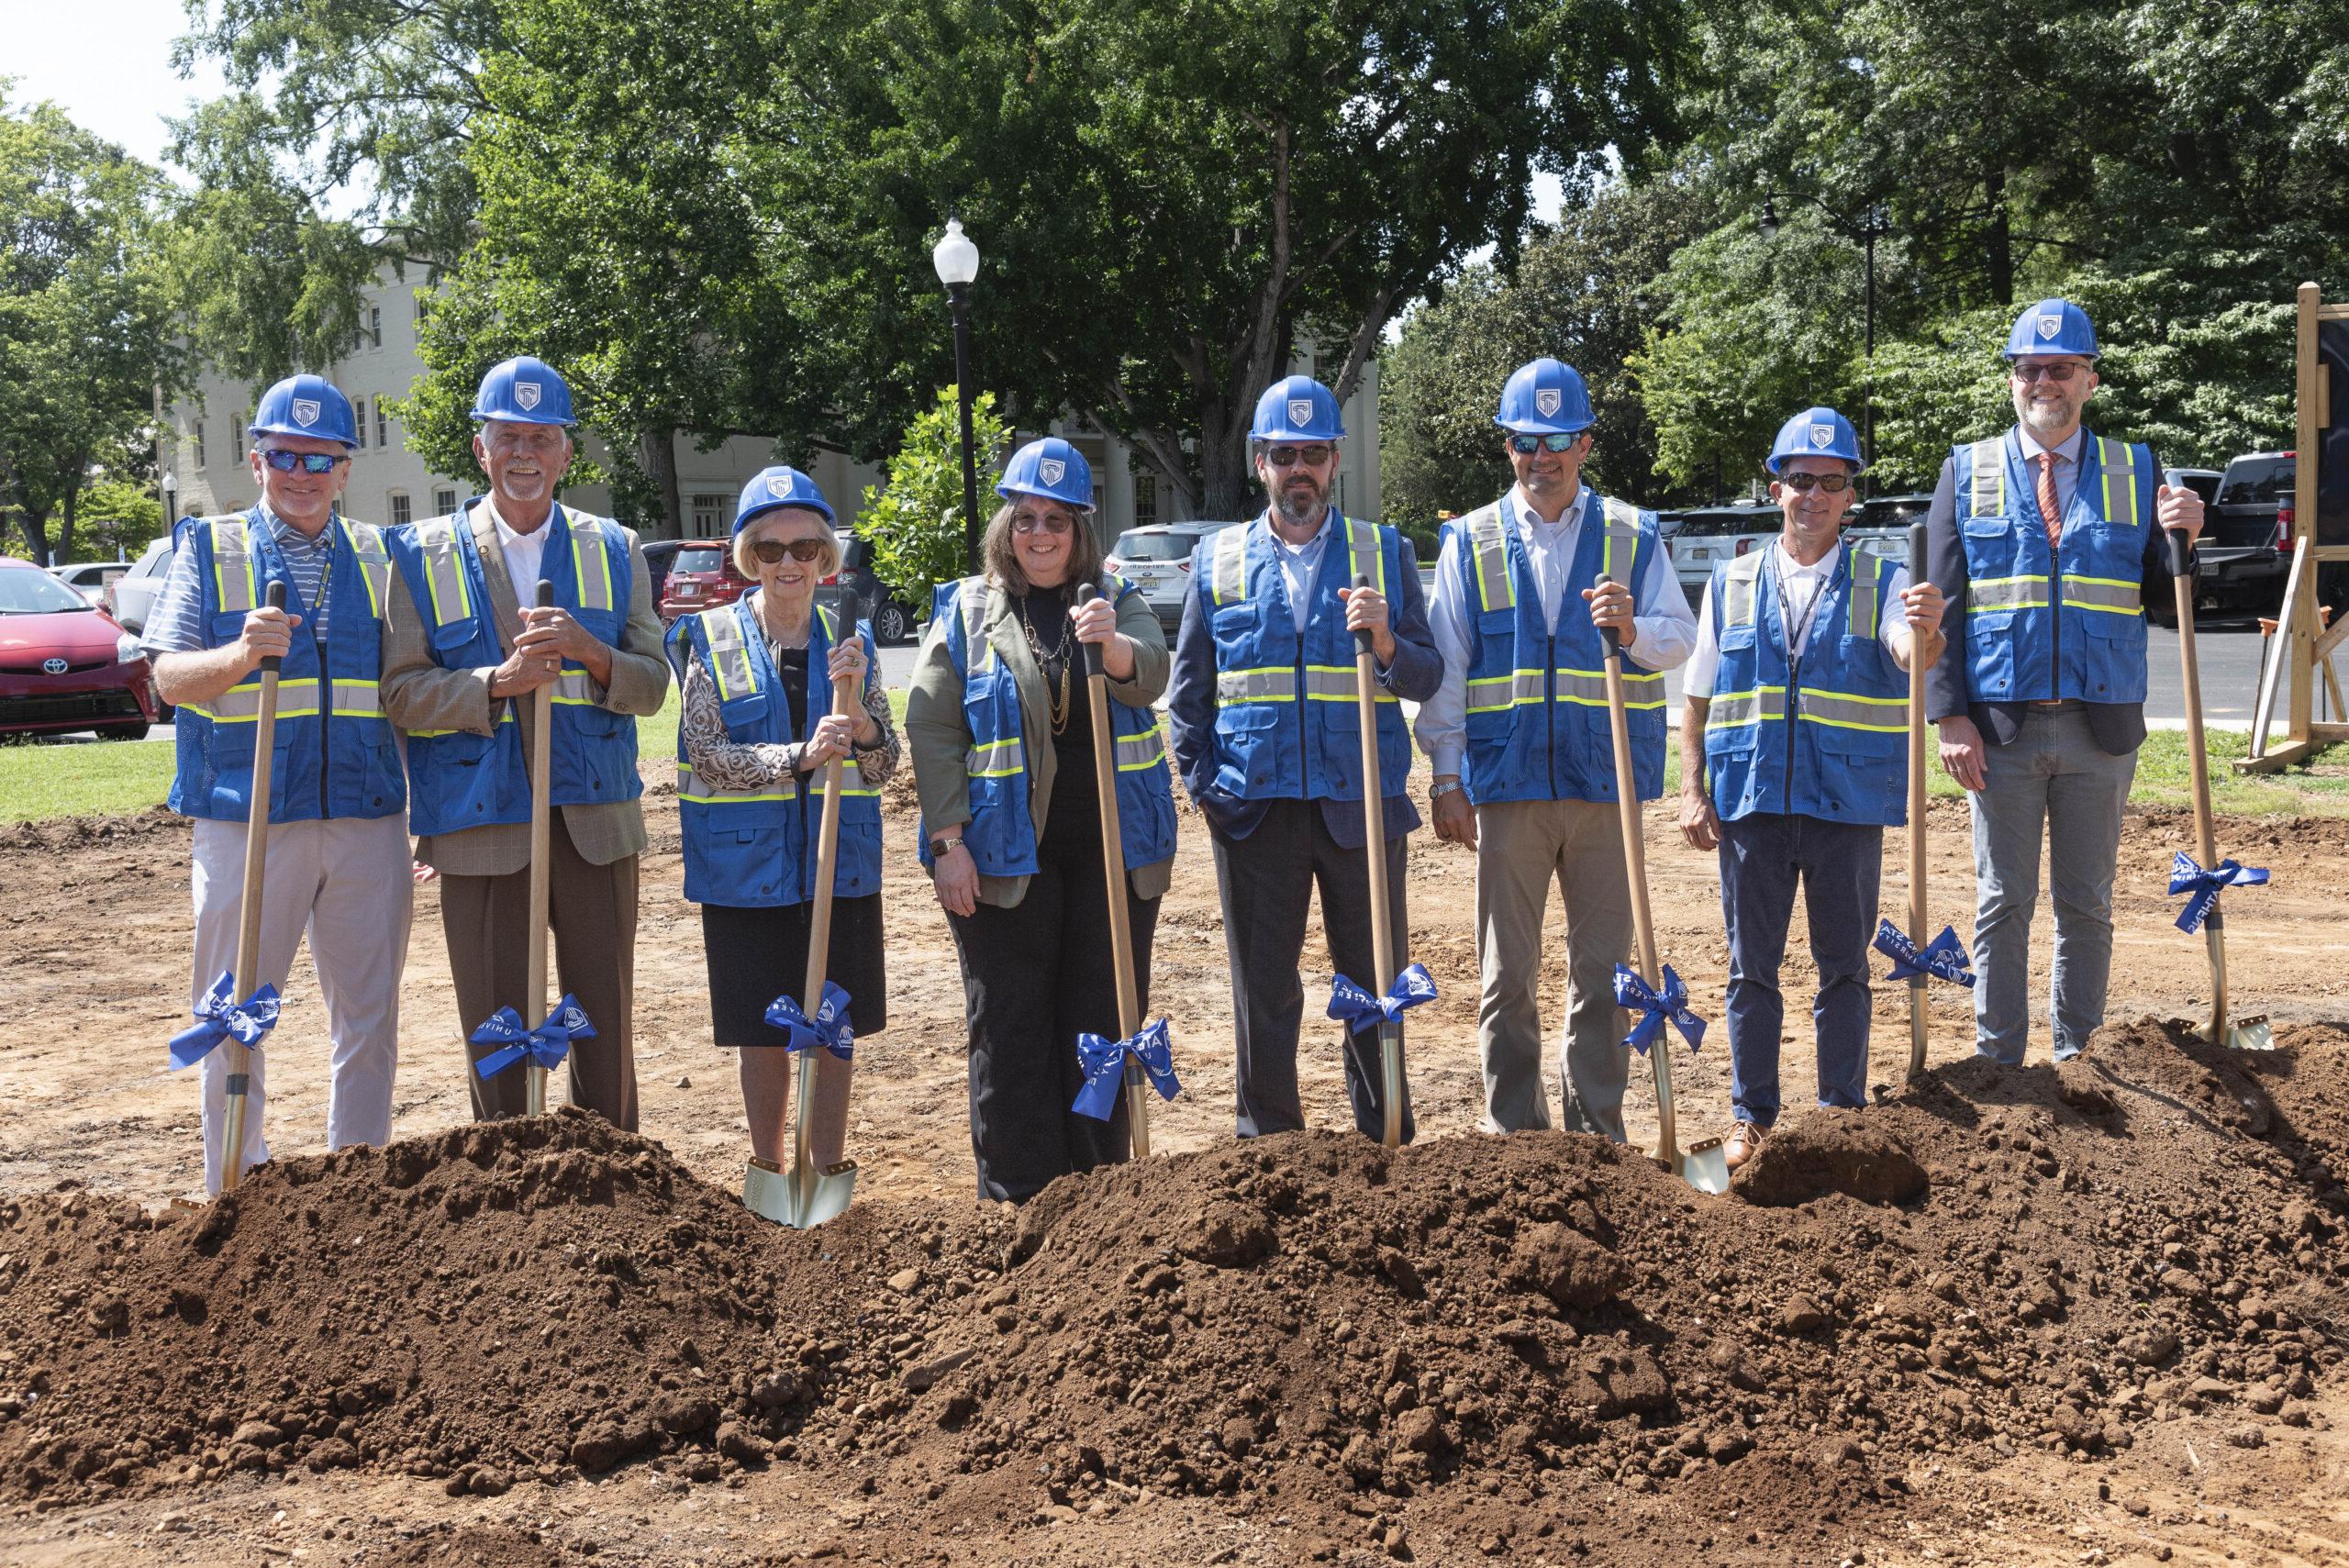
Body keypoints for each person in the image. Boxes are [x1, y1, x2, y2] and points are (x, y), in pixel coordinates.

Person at [380, 356, 671, 1127]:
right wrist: (493, 684)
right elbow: (401, 691)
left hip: (595, 822)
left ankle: (614, 1186)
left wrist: (593, 650)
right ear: (481, 449)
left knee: (600, 1026)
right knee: (499, 1030)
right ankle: (512, 1200)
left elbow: (653, 681)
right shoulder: (421, 553)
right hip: (482, 823)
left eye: (542, 438)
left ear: (566, 452)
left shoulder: (614, 547)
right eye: (508, 436)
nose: (524, 455)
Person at [1414, 357, 1698, 1141]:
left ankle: (1597, 1133)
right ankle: (1515, 1136)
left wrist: (1635, 629)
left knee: (1603, 977)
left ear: (1586, 442)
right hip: (1506, 789)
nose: (1543, 457)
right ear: (1507, 446)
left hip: (1604, 785)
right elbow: (1447, 669)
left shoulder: (1633, 533)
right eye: (1525, 441)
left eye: (1559, 439)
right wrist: (1445, 775)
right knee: (1507, 978)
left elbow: (1682, 640)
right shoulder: (1469, 540)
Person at [143, 373, 413, 1193]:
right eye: (284, 455)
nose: (301, 473)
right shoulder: (209, 545)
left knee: (367, 1022)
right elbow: (167, 677)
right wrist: (238, 657)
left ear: (344, 470)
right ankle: (234, 1186)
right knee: (234, 1017)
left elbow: (406, 688)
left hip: (366, 818)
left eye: (319, 458)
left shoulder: (380, 555)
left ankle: (354, 1187)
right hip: (248, 818)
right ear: (257, 462)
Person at [1926, 299, 2204, 1064]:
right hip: (1999, 729)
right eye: (2029, 368)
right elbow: (1940, 601)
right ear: (2013, 379)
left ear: (2089, 380)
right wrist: (1949, 715)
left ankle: (2080, 1063)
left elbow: (2167, 597)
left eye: (2060, 368)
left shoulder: (2135, 468)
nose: (2042, 380)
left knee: (2087, 904)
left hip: (2099, 726)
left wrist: (2187, 537)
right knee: (2001, 901)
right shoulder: (1966, 468)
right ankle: (1999, 1064)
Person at [1168, 377, 1442, 1141]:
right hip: (1255, 811)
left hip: (1361, 805)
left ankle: (1386, 1137)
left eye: (1313, 454)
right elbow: (1190, 697)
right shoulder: (1216, 560)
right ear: (1260, 461)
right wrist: (1207, 789)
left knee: (1375, 982)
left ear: (1335, 461)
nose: (1299, 470)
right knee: (1264, 992)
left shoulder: (1384, 553)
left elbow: (1426, 674)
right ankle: (1270, 1146)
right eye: (1283, 453)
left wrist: (1386, 641)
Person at [907, 438, 1178, 1201]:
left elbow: (1152, 671)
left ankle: (1096, 1191)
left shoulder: (1113, 599)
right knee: (1012, 1026)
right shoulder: (967, 609)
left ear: (1080, 529)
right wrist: (947, 842)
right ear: (1007, 524)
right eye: (1026, 516)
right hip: (1002, 858)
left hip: (1112, 857)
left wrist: (1114, 648)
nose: (1040, 534)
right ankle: (1019, 1197)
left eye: (1057, 519)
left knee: (1102, 1019)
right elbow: (931, 728)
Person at [1676, 408, 1946, 1168]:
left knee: (1844, 970)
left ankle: (1840, 1114)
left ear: (1850, 496)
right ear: (1777, 489)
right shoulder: (1730, 583)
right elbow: (1695, 701)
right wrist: (1694, 791)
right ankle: (1751, 1117)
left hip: (1845, 806)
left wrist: (1925, 633)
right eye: (1802, 481)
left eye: (1832, 482)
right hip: (1753, 807)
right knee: (1749, 970)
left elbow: (1909, 651)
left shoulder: (1885, 581)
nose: (1815, 495)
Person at [666, 467, 896, 1217]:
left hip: (838, 868)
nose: (788, 561)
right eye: (770, 547)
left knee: (834, 1028)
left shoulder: (848, 644)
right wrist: (796, 756)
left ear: (826, 555)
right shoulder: (715, 636)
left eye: (804, 545)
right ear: (747, 555)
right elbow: (703, 751)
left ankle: (825, 1177)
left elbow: (885, 761)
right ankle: (768, 1173)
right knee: (762, 1032)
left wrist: (860, 725)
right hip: (748, 871)